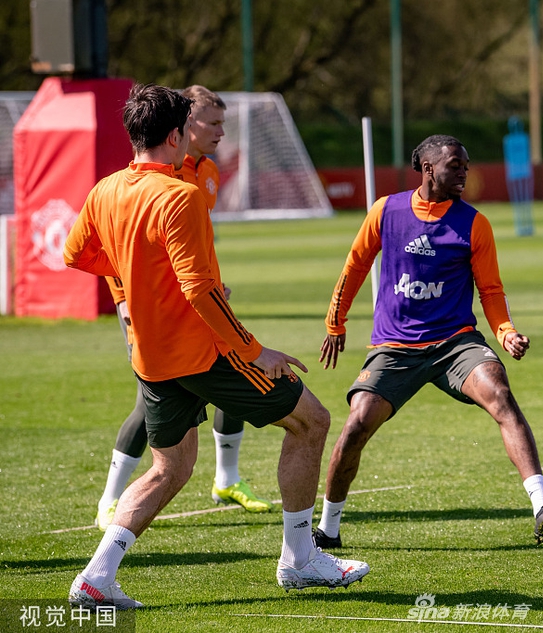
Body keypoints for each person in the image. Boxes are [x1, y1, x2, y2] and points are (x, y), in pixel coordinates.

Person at [64, 84, 368, 610]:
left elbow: (76, 255)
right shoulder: (178, 195)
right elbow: (200, 291)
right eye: (189, 128)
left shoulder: (106, 189)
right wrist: (254, 350)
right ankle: (300, 560)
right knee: (312, 422)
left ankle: (96, 576)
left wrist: (142, 279)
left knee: (170, 469)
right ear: (174, 135)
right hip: (203, 353)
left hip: (151, 358)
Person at [312, 134, 543, 549]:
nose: (464, 172)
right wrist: (335, 322)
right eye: (455, 165)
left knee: (501, 397)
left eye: (466, 165)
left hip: (455, 343)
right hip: (395, 346)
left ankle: (542, 507)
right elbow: (356, 265)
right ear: (428, 168)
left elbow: (491, 290)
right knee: (357, 424)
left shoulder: (474, 223)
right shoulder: (386, 210)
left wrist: (505, 332)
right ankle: (328, 530)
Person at [94, 86, 272, 534]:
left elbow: (190, 246)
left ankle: (227, 480)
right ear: (183, 128)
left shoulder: (207, 172)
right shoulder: (151, 177)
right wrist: (125, 298)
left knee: (235, 369)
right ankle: (110, 500)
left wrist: (211, 281)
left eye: (222, 123)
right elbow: (117, 248)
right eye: (212, 123)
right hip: (150, 312)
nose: (221, 132)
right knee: (149, 405)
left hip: (198, 303)